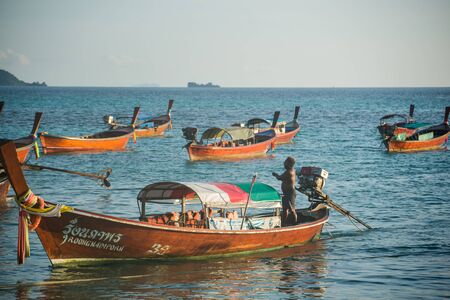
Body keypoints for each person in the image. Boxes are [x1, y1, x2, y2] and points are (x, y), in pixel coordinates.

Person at [272, 156, 297, 226]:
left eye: (285, 162)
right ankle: (283, 224)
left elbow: (280, 178)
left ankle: (295, 223)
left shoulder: (289, 172)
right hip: (285, 193)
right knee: (285, 209)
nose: (284, 164)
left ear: (289, 164)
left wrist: (275, 175)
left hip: (290, 193)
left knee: (292, 210)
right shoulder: (289, 171)